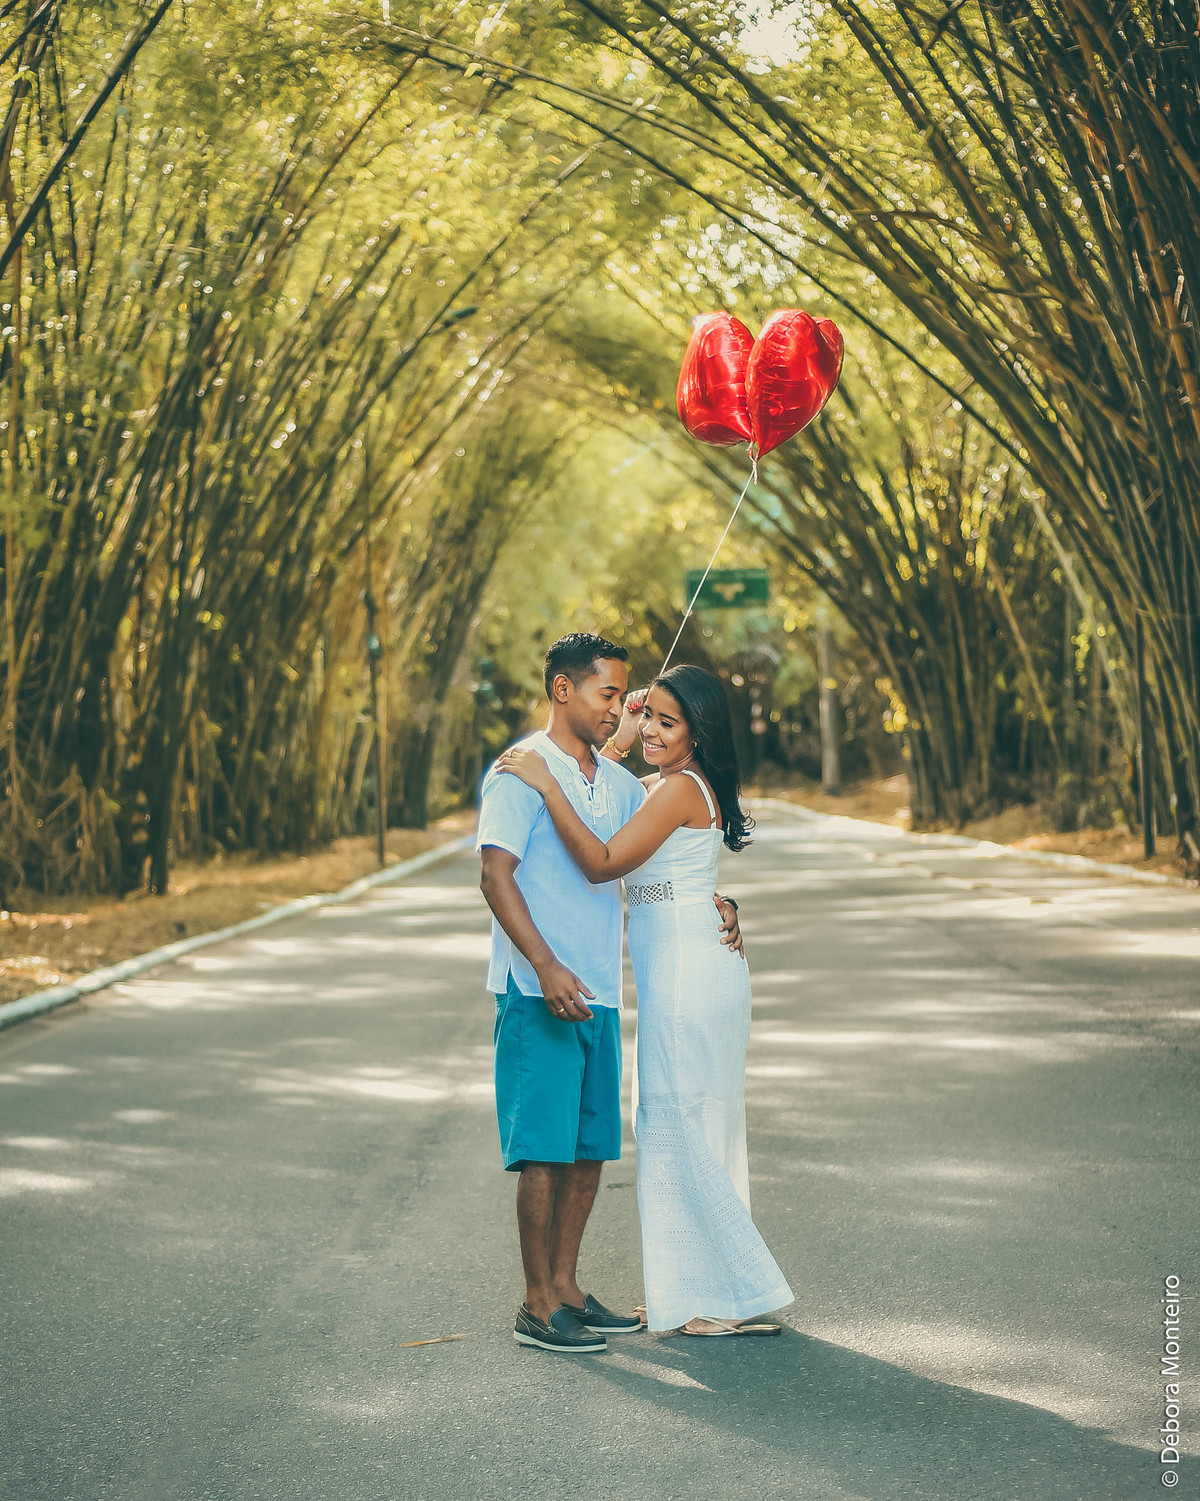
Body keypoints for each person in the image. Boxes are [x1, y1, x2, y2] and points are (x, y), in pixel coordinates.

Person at [496, 663, 793, 1338]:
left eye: (669, 721)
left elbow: (601, 860)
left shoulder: (680, 788)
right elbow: (610, 795)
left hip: (690, 971)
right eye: (647, 713)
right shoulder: (660, 786)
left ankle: (722, 1297)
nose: (653, 729)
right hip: (682, 966)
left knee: (679, 1119)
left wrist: (547, 782)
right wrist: (619, 741)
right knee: (680, 1119)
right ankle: (695, 1291)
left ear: (698, 732)